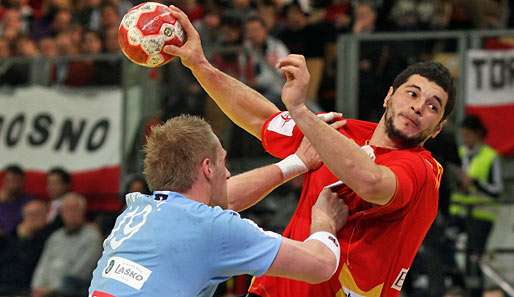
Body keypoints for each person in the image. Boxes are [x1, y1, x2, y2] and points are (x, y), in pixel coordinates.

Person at [163, 5, 456, 297]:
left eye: (433, 106)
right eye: (412, 93)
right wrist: (199, 64)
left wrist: (301, 111)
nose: (419, 107)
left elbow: (371, 181)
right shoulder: (339, 132)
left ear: (438, 128)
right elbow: (261, 118)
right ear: (388, 97)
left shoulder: (422, 170)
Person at [88, 115, 349, 297]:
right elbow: (320, 265)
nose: (228, 174)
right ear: (208, 167)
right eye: (223, 162)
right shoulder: (214, 229)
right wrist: (325, 220)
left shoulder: (137, 209)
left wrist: (296, 163)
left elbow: (223, 201)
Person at [450, 114, 503, 296]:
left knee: (474, 257)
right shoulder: (461, 154)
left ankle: (475, 291)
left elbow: (497, 190)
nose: (465, 139)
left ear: (478, 134)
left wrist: (474, 182)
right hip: (459, 211)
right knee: (447, 245)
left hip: (481, 214)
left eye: (468, 135)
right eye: (462, 135)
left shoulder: (491, 156)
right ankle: (458, 286)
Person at [32, 193, 103, 297]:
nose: (71, 214)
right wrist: (36, 287)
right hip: (44, 291)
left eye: (74, 209)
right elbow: (43, 265)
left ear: (83, 211)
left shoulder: (92, 237)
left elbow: (81, 272)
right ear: (61, 213)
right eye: (67, 210)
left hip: (71, 291)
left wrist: (50, 290)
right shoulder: (55, 236)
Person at [0, 200, 51, 295]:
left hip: (25, 290)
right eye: (33, 214)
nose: (39, 218)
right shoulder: (7, 239)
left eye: (42, 214)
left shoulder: (48, 239)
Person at [0, 164, 32, 236]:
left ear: (23, 182)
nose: (11, 185)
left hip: (14, 239)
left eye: (15, 181)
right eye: (8, 180)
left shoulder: (28, 202)